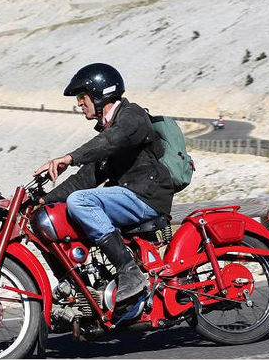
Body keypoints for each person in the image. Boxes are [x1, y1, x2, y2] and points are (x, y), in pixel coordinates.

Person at [34, 63, 174, 305]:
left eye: (82, 96)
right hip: (131, 196)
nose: (79, 103)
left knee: (80, 201)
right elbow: (85, 178)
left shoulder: (132, 116)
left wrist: (69, 158)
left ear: (100, 93)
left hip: (147, 195)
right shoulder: (111, 131)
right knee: (71, 202)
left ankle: (128, 270)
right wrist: (42, 200)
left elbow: (112, 140)